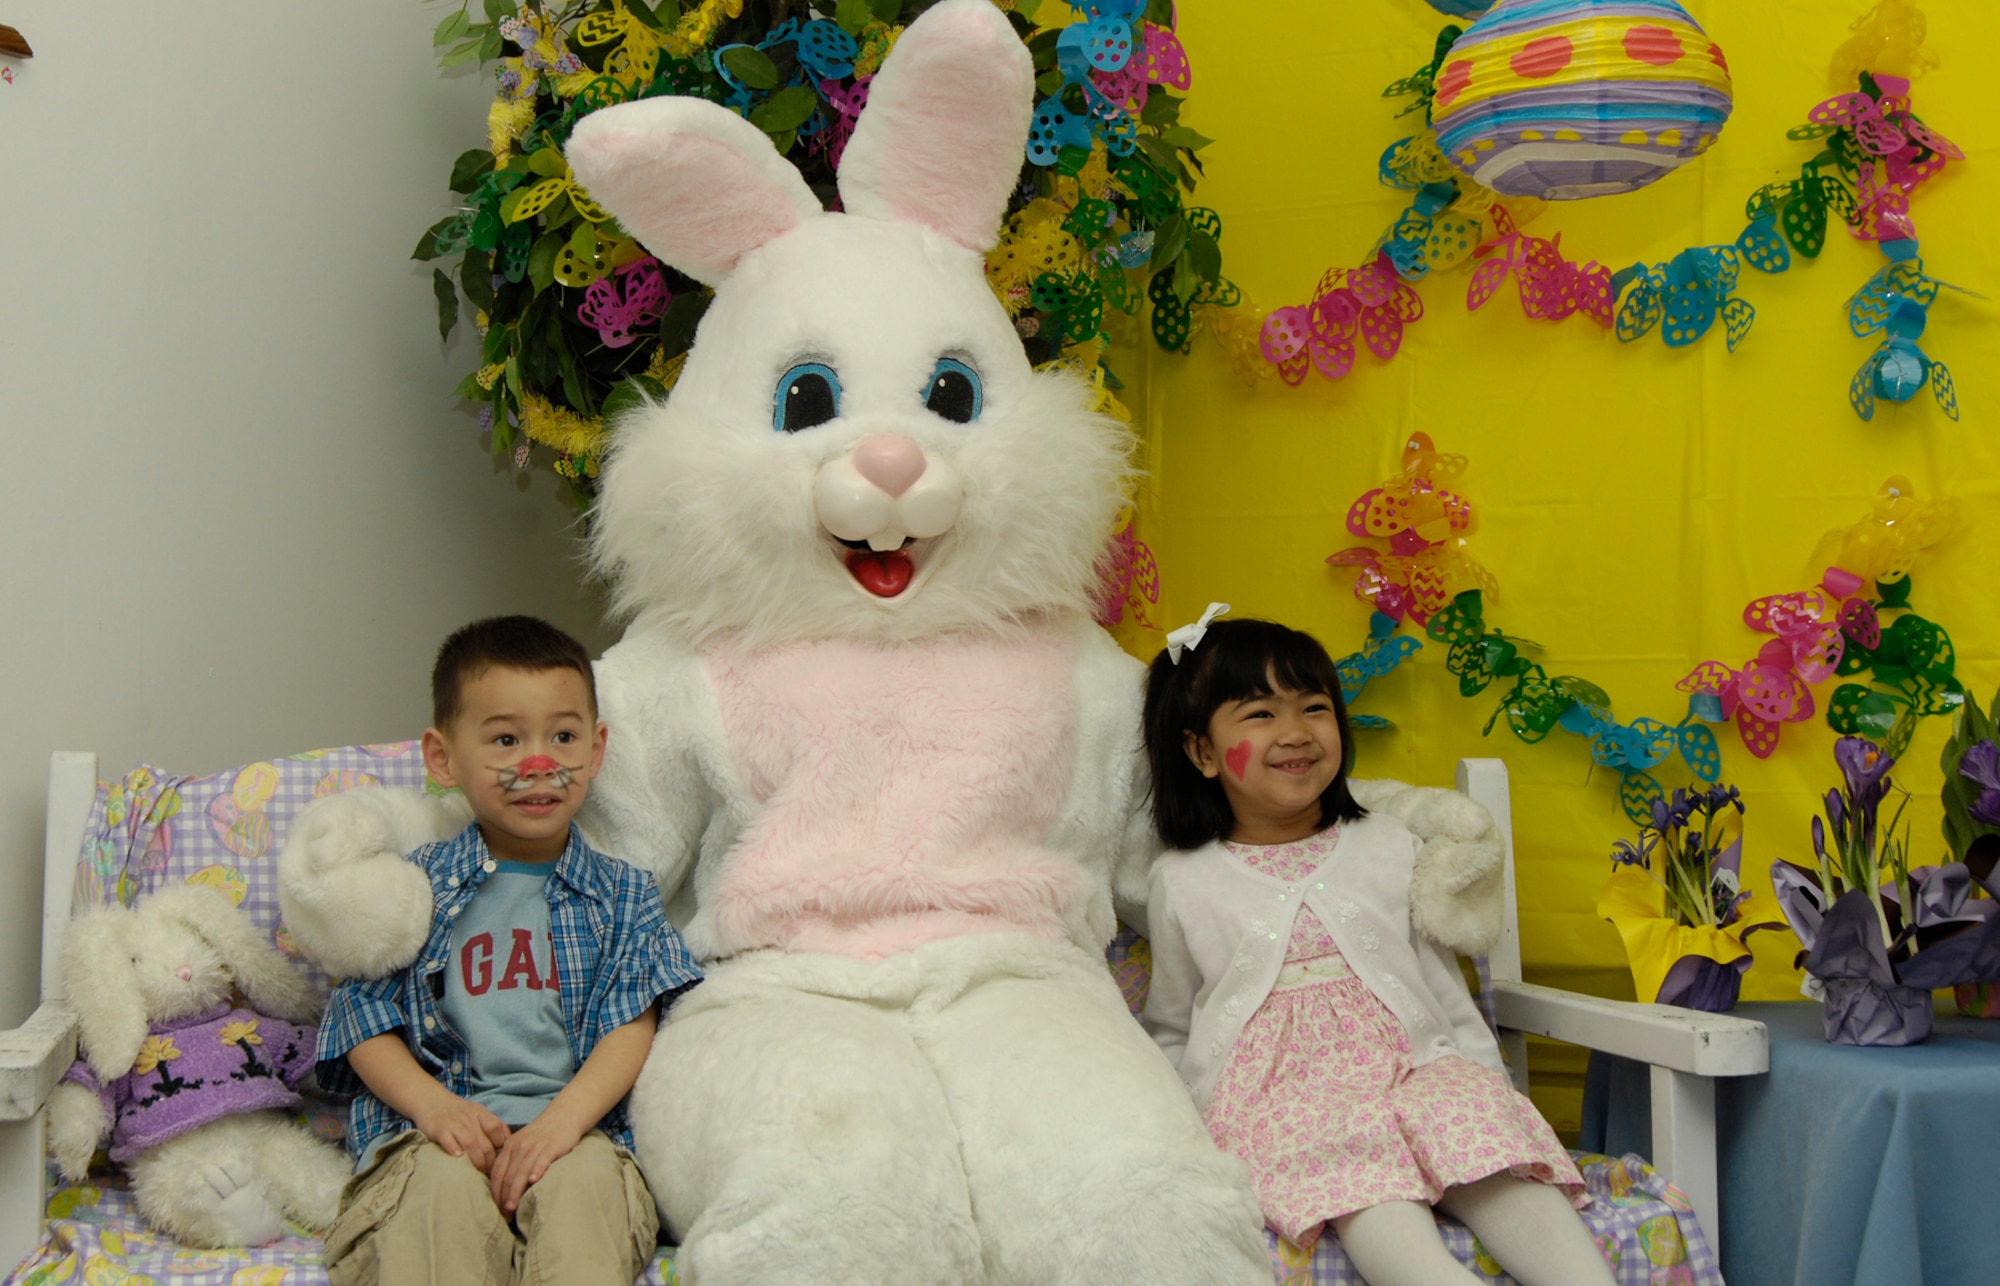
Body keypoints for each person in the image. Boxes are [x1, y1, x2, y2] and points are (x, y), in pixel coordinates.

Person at [1139, 612, 1615, 1286]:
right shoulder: (1183, 881)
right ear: (1203, 753)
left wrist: (1491, 1090)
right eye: (1260, 714)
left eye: (1313, 707)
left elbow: (1439, 990)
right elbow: (1173, 1023)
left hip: (1416, 1067)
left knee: (1486, 1145)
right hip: (1287, 1102)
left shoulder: (1388, 846)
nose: (1297, 732)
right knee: (1369, 1198)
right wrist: (1176, 1138)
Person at [316, 616, 702, 1286]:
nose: (539, 763)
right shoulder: (412, 887)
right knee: (435, 1200)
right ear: (443, 758)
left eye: (563, 736)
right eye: (505, 739)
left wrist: (562, 1125)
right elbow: (363, 1020)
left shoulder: (624, 895)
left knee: (587, 1196)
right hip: (436, 1135)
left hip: (575, 1132)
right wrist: (433, 1109)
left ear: (597, 746)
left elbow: (630, 1024)